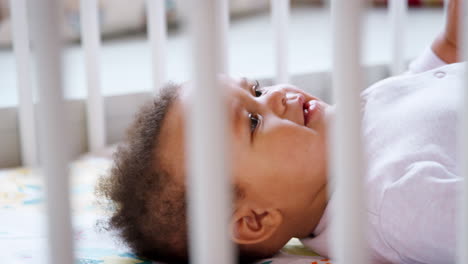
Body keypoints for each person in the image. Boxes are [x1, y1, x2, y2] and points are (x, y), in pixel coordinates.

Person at [97, 0, 464, 263]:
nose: (276, 96)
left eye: (256, 89)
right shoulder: (394, 203)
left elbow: (416, 93)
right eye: (253, 122)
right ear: (255, 220)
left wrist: (449, 43)